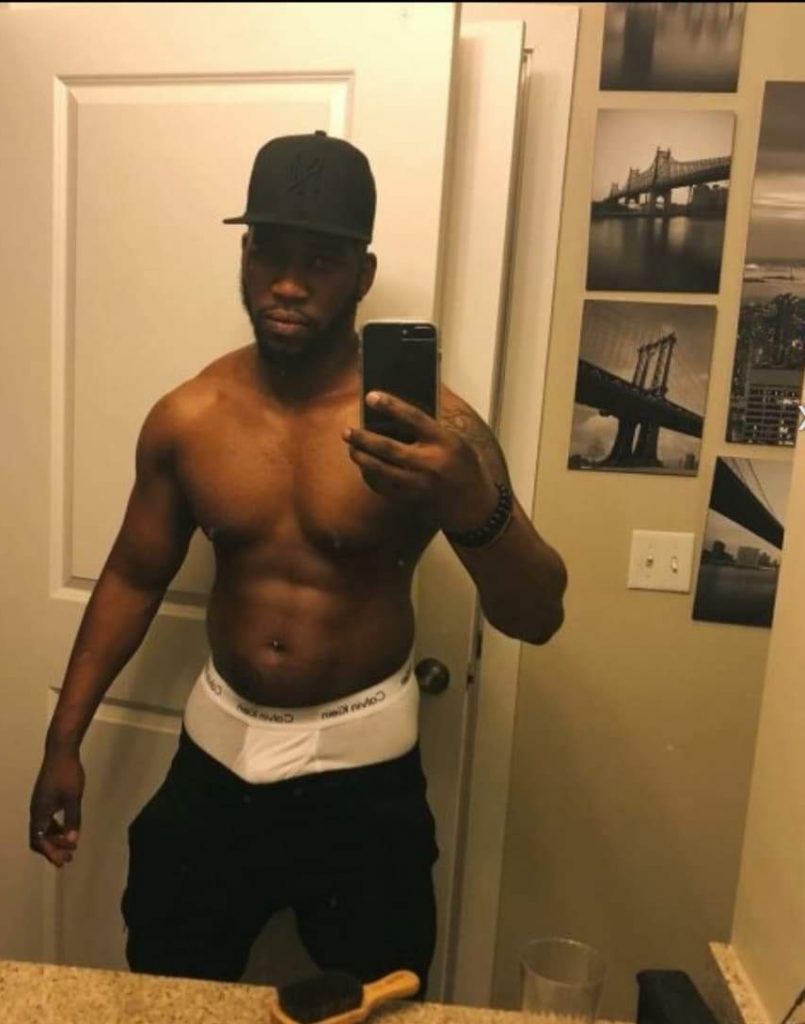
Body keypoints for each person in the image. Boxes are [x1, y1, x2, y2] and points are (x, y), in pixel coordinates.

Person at [28, 131, 567, 994]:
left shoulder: (436, 432)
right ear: (244, 258)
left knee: (380, 1003)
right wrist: (64, 741)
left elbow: (535, 615)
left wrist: (474, 503)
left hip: (364, 780)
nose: (287, 282)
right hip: (214, 760)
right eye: (269, 253)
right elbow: (132, 576)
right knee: (166, 993)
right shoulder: (191, 416)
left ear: (362, 273)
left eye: (320, 260)